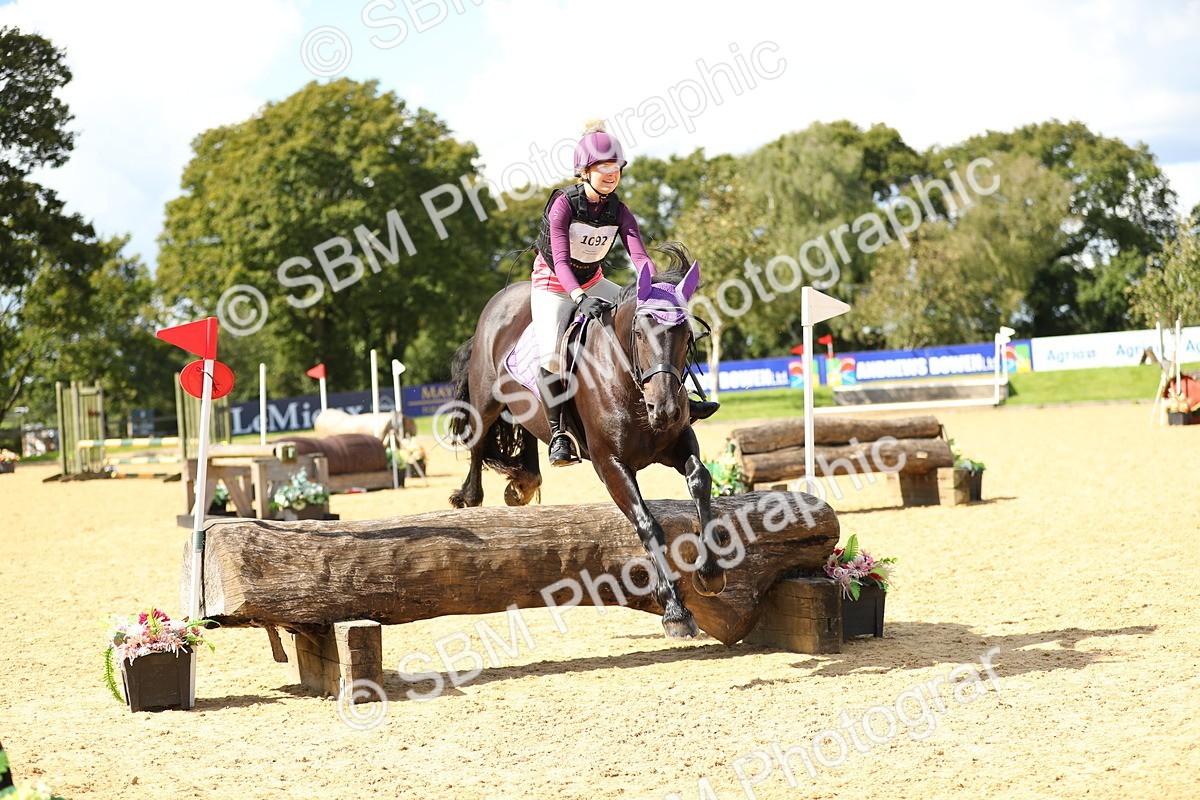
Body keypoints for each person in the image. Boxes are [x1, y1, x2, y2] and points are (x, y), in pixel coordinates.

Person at [531, 121, 717, 467]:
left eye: (615, 169)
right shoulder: (563, 205)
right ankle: (559, 436)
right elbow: (560, 261)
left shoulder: (619, 211)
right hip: (554, 286)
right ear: (585, 171)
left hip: (594, 281)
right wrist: (577, 298)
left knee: (656, 322)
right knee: (551, 358)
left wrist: (657, 290)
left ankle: (685, 397)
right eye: (604, 169)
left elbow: (639, 256)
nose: (611, 175)